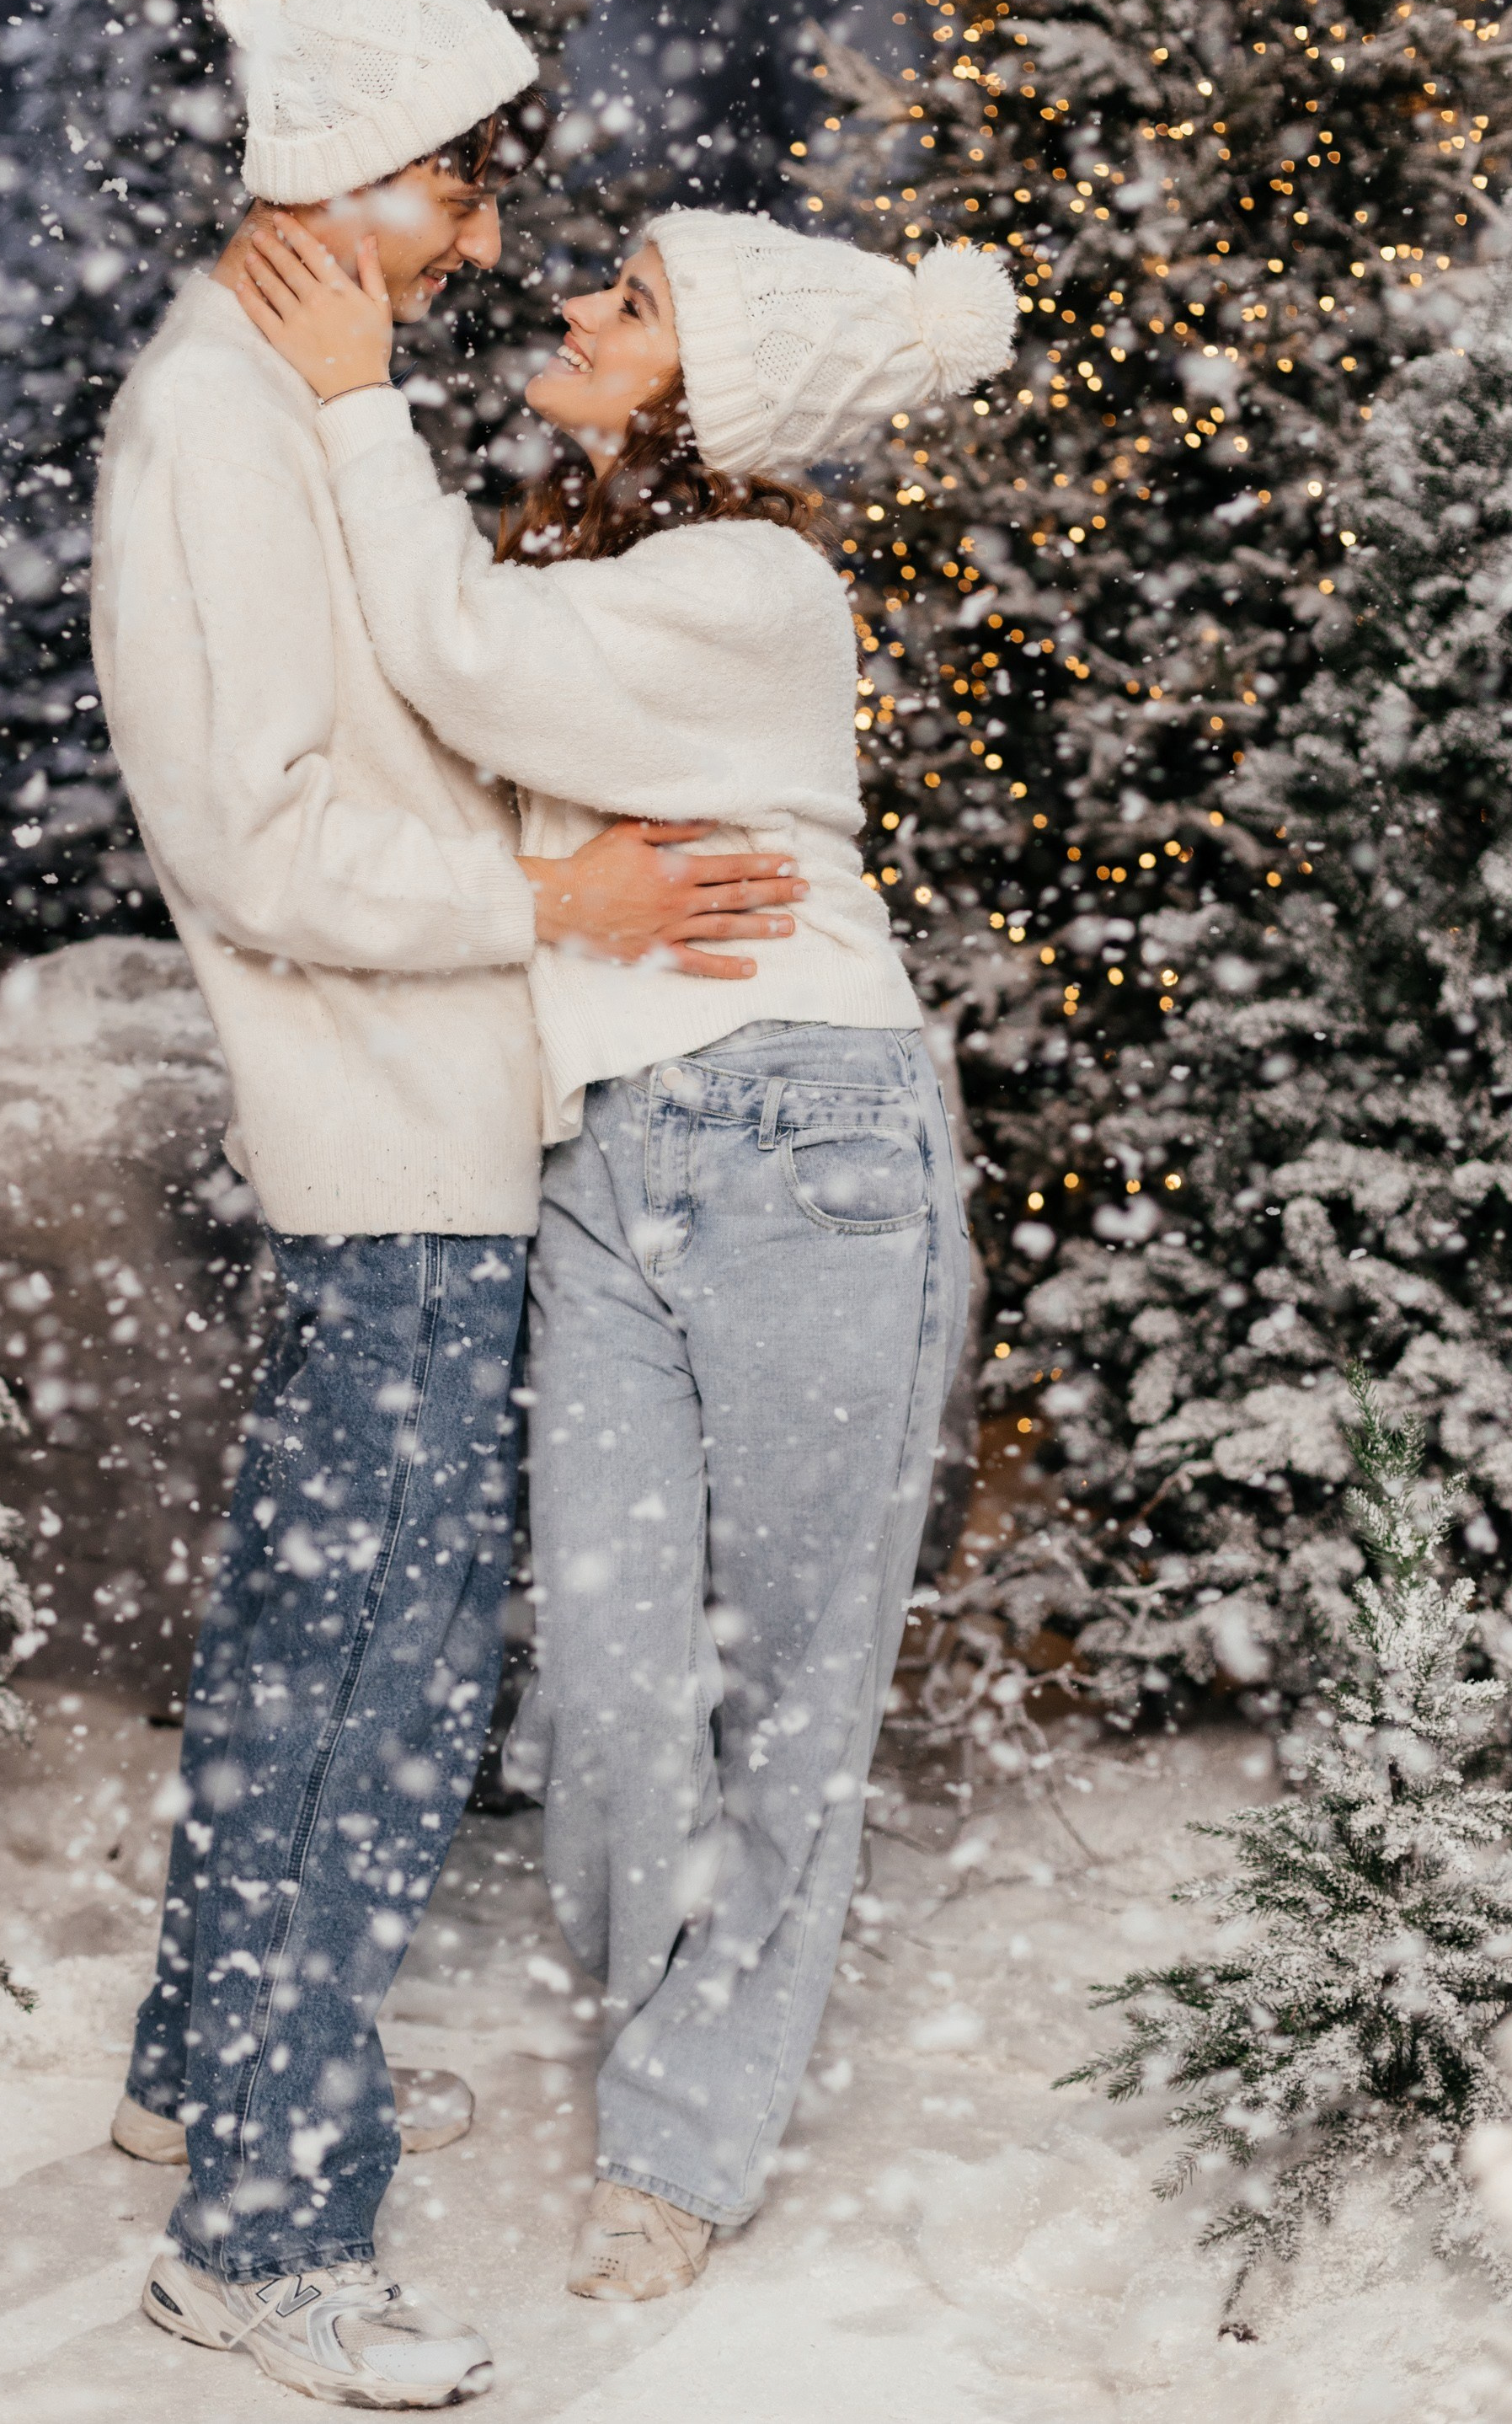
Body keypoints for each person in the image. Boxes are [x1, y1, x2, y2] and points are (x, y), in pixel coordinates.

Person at [90, 0, 805, 2409]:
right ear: (337, 171)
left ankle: (207, 2080)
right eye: (458, 171)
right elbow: (258, 837)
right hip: (391, 1153)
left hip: (417, 1141)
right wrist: (566, 890)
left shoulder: (276, 410)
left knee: (317, 1640)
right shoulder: (218, 427)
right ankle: (271, 2240)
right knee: (373, 1686)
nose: (494, 217)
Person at [234, 197, 1014, 2305]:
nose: (582, 304)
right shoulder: (598, 563)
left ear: (723, 385)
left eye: (638, 301)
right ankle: (678, 2013)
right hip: (604, 1156)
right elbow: (439, 691)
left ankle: (684, 2131)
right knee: (601, 1679)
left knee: (791, 1686)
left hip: (811, 1136)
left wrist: (350, 402)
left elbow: (459, 658)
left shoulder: (757, 583)